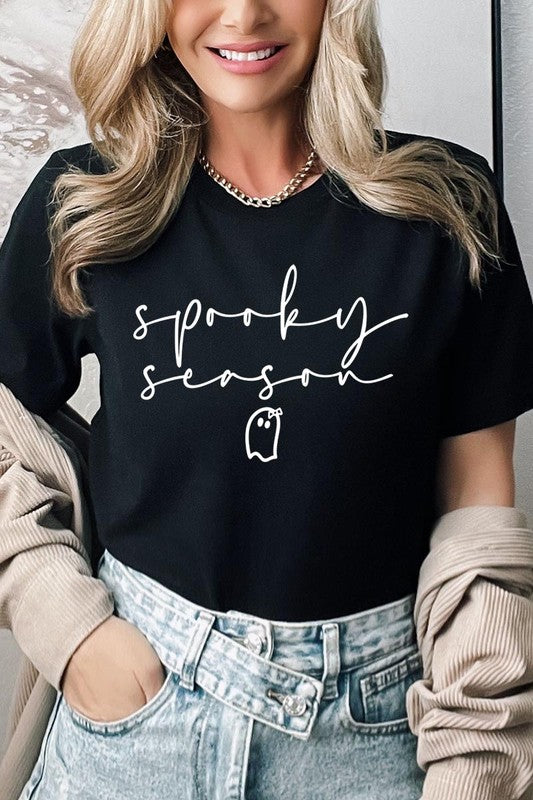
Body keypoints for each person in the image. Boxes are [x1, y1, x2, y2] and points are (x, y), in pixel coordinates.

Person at [2, 0, 533, 798]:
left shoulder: (447, 204)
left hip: (378, 726)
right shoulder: (86, 202)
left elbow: (479, 508)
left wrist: (476, 760)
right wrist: (68, 627)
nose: (244, 14)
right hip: (140, 718)